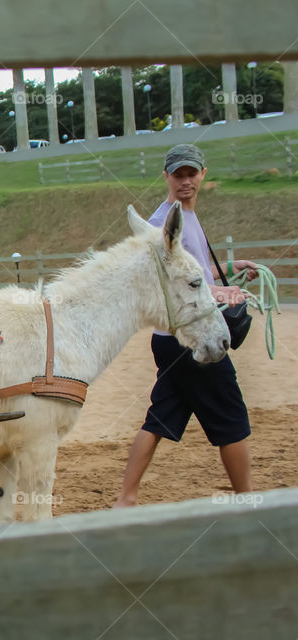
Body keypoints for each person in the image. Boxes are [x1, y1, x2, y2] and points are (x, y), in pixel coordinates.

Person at [114, 144, 259, 507]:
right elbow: (160, 284)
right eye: (178, 174)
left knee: (161, 417)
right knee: (231, 417)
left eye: (191, 174)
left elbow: (187, 273)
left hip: (171, 340)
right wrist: (219, 293)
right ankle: (246, 500)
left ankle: (127, 497)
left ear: (203, 175)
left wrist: (227, 269)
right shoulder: (162, 225)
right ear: (166, 177)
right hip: (189, 337)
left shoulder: (184, 217)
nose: (185, 181)